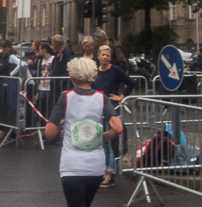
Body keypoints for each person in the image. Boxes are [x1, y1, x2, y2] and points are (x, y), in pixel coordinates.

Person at [45, 57, 123, 207]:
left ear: (73, 76)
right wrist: (104, 136)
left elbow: (49, 133)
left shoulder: (66, 97)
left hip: (72, 166)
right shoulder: (101, 97)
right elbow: (118, 128)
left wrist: (63, 125)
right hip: (95, 166)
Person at [93, 44, 135, 188]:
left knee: (111, 142)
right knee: (102, 141)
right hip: (98, 110)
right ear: (98, 56)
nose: (105, 57)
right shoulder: (95, 72)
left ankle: (111, 172)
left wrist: (121, 96)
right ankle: (104, 169)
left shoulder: (115, 70)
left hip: (111, 109)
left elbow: (131, 82)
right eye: (102, 55)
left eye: (107, 55)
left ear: (110, 57)